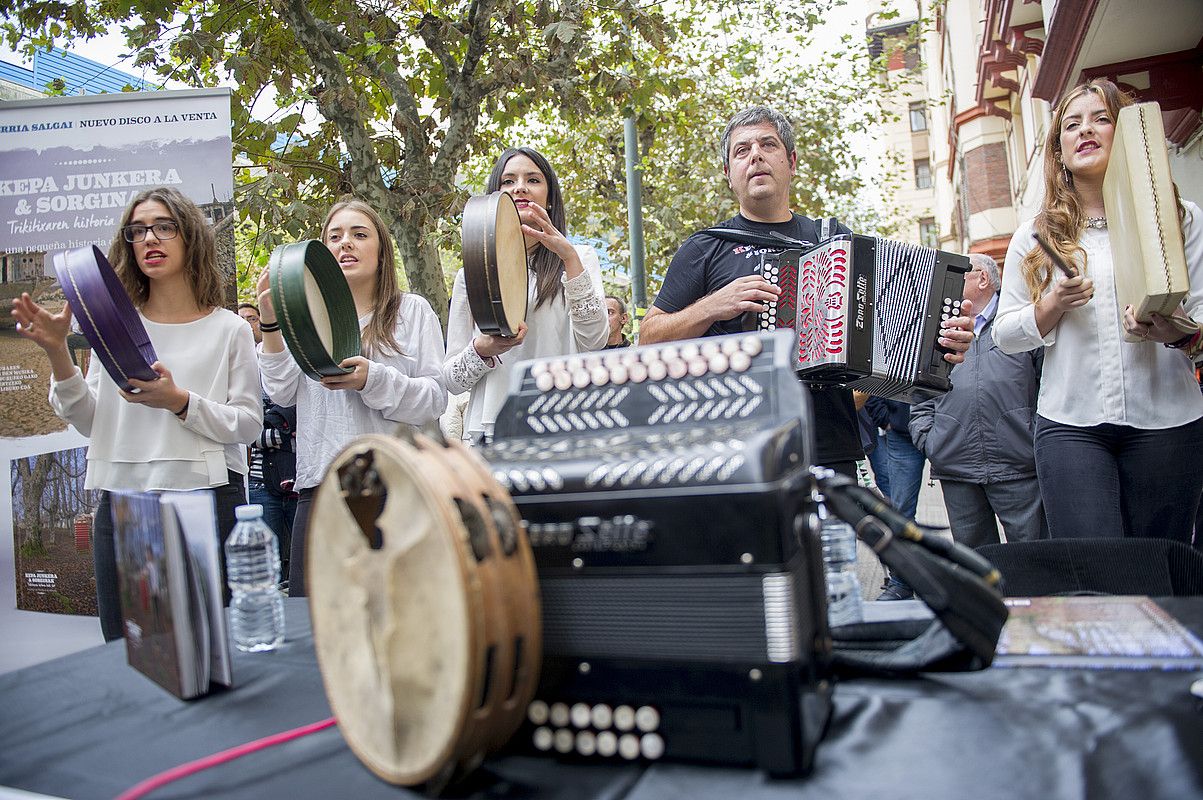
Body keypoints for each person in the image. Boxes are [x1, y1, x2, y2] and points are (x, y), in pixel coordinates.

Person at [639, 106, 975, 476]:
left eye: (768, 145)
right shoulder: (705, 248)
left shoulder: (835, 242)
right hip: (737, 450)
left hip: (828, 448)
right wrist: (712, 306)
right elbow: (648, 339)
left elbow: (894, 333)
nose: (756, 156)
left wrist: (941, 344)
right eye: (741, 150)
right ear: (728, 174)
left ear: (791, 162)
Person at [11, 186, 263, 641]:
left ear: (191, 238)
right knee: (129, 653)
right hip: (122, 502)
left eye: (165, 226)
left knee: (212, 648)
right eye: (138, 230)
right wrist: (57, 354)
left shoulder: (229, 329)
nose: (150, 238)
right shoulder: (112, 327)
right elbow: (91, 421)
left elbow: (247, 424)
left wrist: (179, 402)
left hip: (207, 498)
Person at [994, 78, 1203, 544]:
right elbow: (1004, 336)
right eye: (1071, 124)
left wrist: (1173, 330)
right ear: (1060, 150)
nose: (1085, 130)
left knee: (1161, 566)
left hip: (1168, 420)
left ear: (1125, 132)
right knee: (1093, 570)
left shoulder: (1182, 218)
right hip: (1070, 425)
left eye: (1101, 118)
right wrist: (1052, 305)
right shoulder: (1033, 236)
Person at [256, 198, 448, 596]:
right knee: (317, 626)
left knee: (397, 622)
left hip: (394, 489)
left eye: (360, 235)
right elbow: (280, 390)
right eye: (335, 236)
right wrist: (272, 323)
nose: (346, 244)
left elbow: (433, 399)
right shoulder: (305, 319)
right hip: (320, 488)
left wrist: (372, 379)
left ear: (382, 252)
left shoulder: (412, 312)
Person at [443, 147, 608, 441]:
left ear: (550, 195)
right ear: (494, 196)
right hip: (493, 430)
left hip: (564, 424)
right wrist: (483, 350)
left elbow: (595, 340)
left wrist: (568, 258)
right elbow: (452, 380)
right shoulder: (472, 273)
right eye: (508, 181)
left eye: (533, 180)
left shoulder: (579, 257)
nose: (520, 187)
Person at [910, 253, 1048, 549]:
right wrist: (931, 440)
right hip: (957, 466)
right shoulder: (937, 329)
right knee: (974, 566)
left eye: (956, 273)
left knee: (1034, 557)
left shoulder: (1019, 322)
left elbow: (1047, 385)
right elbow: (920, 395)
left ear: (982, 278)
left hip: (1019, 468)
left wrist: (1034, 437)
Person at [237, 301, 298, 583]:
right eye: (242, 318)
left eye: (253, 317)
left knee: (302, 557)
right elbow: (244, 427)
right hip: (260, 481)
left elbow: (297, 413)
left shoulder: (283, 359)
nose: (248, 324)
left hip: (296, 477)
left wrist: (276, 426)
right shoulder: (238, 367)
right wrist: (278, 431)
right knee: (266, 562)